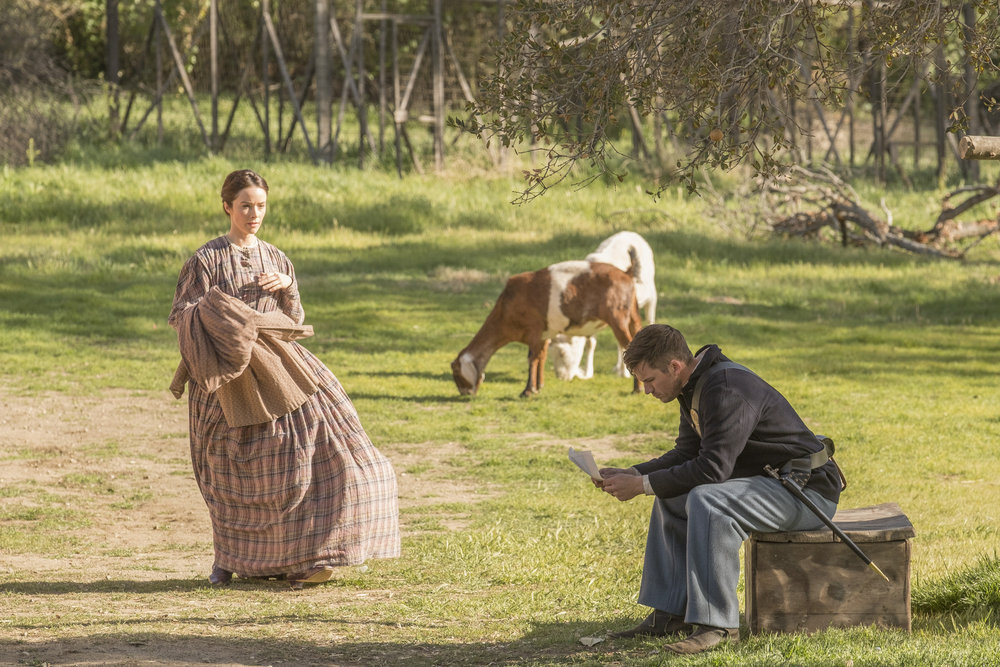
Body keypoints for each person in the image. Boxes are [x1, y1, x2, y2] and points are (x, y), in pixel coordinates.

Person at [168, 169, 400, 588]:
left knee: (299, 464)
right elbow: (180, 315)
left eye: (260, 206)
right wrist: (224, 317)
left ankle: (305, 558)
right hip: (224, 375)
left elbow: (294, 320)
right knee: (226, 473)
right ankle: (227, 560)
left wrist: (289, 285)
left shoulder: (277, 258)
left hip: (279, 369)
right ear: (227, 207)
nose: (253, 214)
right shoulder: (204, 260)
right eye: (245, 206)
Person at [596, 324, 843, 654]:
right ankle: (672, 615)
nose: (647, 390)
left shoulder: (725, 388)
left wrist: (641, 485)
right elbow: (687, 454)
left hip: (806, 493)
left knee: (709, 500)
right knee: (674, 496)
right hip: (771, 485)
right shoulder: (694, 385)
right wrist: (634, 472)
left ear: (674, 366)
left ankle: (719, 626)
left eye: (650, 380)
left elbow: (713, 470)